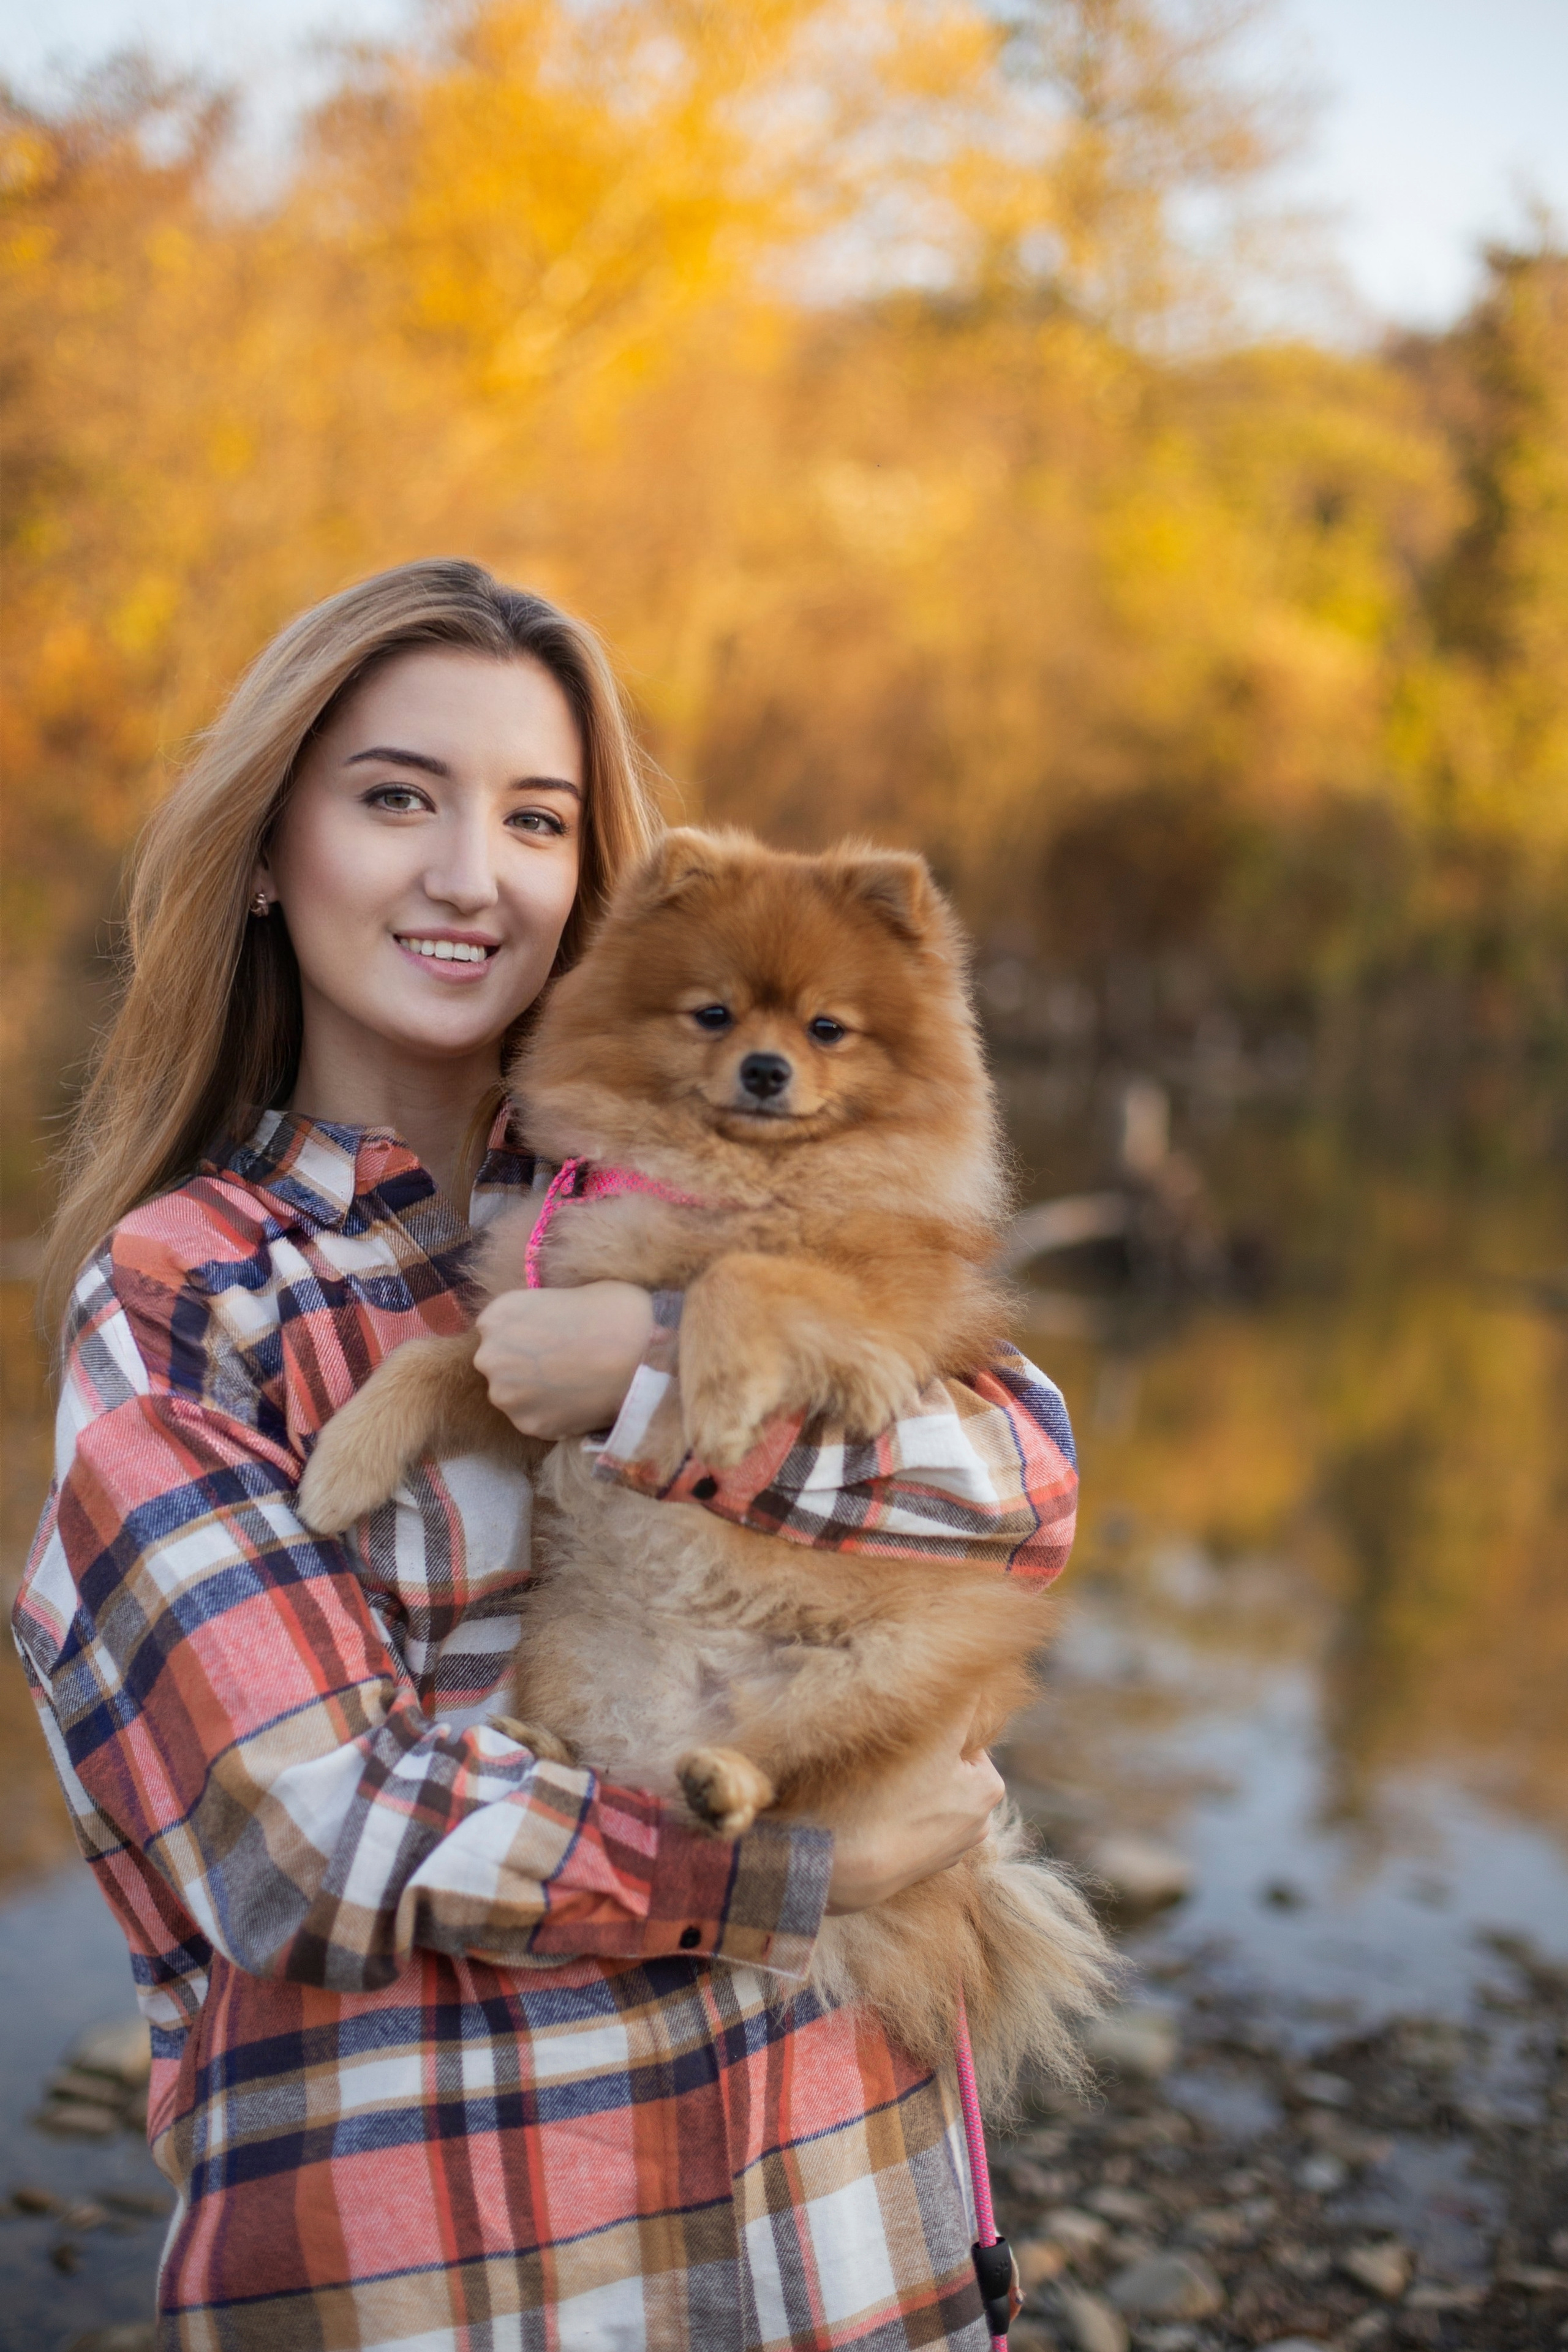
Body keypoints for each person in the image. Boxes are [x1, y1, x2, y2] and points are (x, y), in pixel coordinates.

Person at [15, 559, 1080, 2352]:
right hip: (471, 2273)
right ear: (268, 854)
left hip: (840, 2245)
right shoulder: (191, 1294)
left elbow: (1025, 1492)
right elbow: (309, 1846)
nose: (468, 873)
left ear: (591, 880)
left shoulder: (716, 1197)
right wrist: (795, 1876)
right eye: (395, 799)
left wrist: (651, 1378)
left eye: (534, 818)